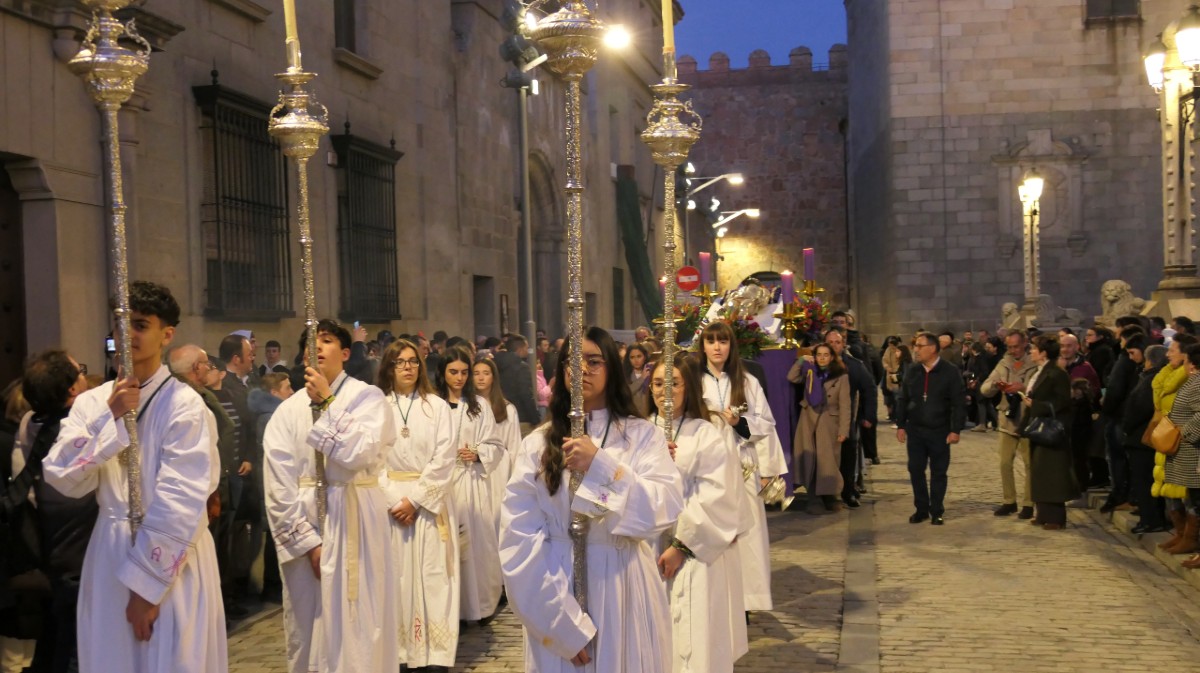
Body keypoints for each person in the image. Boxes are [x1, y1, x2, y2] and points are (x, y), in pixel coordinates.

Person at [41, 281, 227, 672]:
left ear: (167, 334)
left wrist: (147, 588)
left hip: (171, 557)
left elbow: (183, 497)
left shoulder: (184, 404)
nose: (127, 336)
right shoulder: (93, 402)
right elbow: (59, 474)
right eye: (120, 325)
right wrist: (109, 419)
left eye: (140, 325)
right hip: (110, 551)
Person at [498, 327, 683, 671]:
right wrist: (559, 624)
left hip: (624, 586)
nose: (581, 369)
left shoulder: (642, 437)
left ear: (612, 367)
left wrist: (601, 465)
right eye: (572, 361)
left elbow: (662, 509)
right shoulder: (537, 445)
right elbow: (517, 539)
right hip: (558, 585)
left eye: (594, 361)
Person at [263, 319, 397, 673]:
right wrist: (309, 543)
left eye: (325, 340)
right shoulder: (287, 412)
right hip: (307, 524)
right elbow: (278, 485)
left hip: (356, 519)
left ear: (346, 352)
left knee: (361, 621)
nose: (317, 347)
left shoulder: (368, 398)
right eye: (311, 342)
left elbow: (362, 455)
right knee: (309, 626)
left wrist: (327, 402)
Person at [647, 359, 747, 673]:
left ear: (687, 387)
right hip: (645, 548)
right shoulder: (638, 430)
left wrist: (681, 546)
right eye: (659, 383)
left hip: (694, 552)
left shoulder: (705, 432)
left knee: (695, 636)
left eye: (673, 383)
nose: (665, 391)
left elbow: (718, 495)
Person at [6, 351, 95, 673]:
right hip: (81, 550)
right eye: (80, 372)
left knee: (60, 635)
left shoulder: (31, 424)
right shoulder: (77, 431)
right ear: (73, 390)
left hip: (50, 548)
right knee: (78, 644)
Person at [377, 339, 460, 670]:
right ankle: (398, 654)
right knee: (396, 578)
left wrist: (416, 500)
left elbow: (445, 457)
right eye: (400, 362)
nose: (408, 367)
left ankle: (435, 656)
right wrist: (394, 500)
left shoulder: (436, 407)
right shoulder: (378, 406)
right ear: (389, 367)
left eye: (413, 361)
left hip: (427, 506)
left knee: (433, 578)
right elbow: (372, 461)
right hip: (393, 508)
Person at [697, 321, 784, 613]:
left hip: (743, 466)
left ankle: (746, 601)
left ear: (731, 346)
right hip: (707, 468)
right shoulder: (695, 382)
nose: (717, 347)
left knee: (748, 536)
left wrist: (739, 423)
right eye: (711, 341)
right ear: (703, 346)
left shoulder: (747, 382)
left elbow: (767, 424)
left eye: (723, 341)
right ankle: (716, 597)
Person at [437, 347, 504, 623]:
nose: (460, 378)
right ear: (443, 373)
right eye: (453, 372)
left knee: (476, 547)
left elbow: (496, 445)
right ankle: (449, 612)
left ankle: (478, 607)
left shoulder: (479, 406)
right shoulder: (433, 405)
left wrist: (478, 454)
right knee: (447, 550)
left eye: (464, 372)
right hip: (442, 485)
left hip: (471, 483)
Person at [894, 331, 965, 525]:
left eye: (919, 346)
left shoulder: (950, 372)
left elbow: (958, 402)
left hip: (940, 431)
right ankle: (921, 508)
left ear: (932, 349)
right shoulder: (913, 371)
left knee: (938, 471)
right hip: (916, 430)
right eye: (915, 346)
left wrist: (955, 429)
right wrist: (901, 424)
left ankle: (937, 510)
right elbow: (903, 399)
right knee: (915, 469)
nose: (915, 350)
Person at [1013, 336, 1074, 530]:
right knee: (1039, 471)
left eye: (1033, 349)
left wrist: (1037, 405)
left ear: (1043, 353)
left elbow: (1063, 402)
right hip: (1038, 426)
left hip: (1051, 429)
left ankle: (1056, 517)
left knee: (1052, 473)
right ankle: (1043, 513)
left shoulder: (1057, 373)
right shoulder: (1040, 371)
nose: (1030, 351)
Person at [788, 344, 852, 514]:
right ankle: (813, 497)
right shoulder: (810, 372)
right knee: (809, 459)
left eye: (826, 355)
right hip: (808, 420)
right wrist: (801, 361)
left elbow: (845, 405)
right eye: (819, 355)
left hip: (829, 422)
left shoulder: (841, 376)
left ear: (832, 357)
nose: (822, 358)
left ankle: (830, 496)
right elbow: (792, 377)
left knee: (828, 462)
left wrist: (843, 430)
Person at [980, 330, 1036, 519]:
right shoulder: (1004, 363)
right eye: (1009, 347)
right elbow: (985, 388)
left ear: (1024, 344)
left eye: (1016, 347)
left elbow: (1039, 387)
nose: (1013, 350)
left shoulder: (1034, 362)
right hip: (1007, 419)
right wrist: (996, 385)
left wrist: (1022, 387)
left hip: (1028, 420)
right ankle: (1009, 501)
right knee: (1005, 463)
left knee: (1030, 464)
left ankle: (1029, 503)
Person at [1126, 345, 1168, 534]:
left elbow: (1139, 409)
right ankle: (1153, 518)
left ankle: (1150, 519)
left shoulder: (1152, 380)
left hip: (1143, 437)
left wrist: (1126, 427)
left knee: (1144, 480)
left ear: (1149, 360)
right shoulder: (1156, 378)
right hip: (1148, 436)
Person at [473, 357, 522, 519]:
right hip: (474, 467)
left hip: (500, 467)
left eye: (485, 373)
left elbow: (514, 446)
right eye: (476, 373)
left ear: (493, 377)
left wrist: (517, 478)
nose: (480, 378)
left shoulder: (507, 409)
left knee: (497, 515)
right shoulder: (467, 407)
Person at [493, 335, 540, 427]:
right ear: (520, 349)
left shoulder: (495, 364)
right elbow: (526, 393)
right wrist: (535, 419)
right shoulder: (522, 367)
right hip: (520, 417)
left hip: (498, 416)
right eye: (526, 348)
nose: (527, 351)